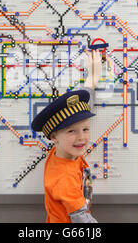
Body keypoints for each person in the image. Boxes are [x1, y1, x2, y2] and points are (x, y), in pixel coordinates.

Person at [32, 49, 102, 223]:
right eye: (72, 131)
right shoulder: (64, 178)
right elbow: (82, 220)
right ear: (54, 136)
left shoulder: (64, 152)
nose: (81, 137)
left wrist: (92, 79)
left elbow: (82, 113)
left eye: (85, 129)